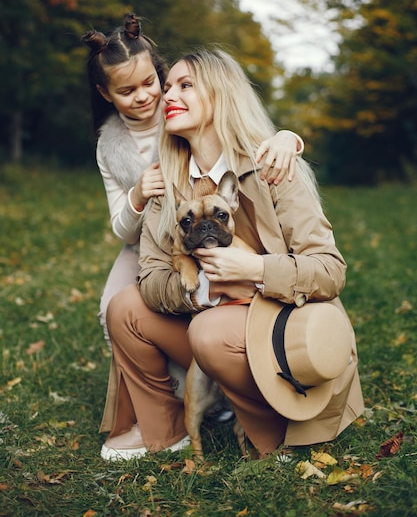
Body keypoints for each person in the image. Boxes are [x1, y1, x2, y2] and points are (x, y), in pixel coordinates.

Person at [100, 47, 364, 461]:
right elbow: (151, 276)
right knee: (124, 307)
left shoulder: (273, 164)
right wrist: (202, 289)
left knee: (211, 332)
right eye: (168, 87)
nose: (168, 96)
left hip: (278, 328)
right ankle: (166, 427)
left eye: (186, 86)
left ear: (221, 95)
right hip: (208, 319)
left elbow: (329, 270)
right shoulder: (164, 181)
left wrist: (255, 269)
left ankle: (274, 433)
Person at [81, 13, 304, 346]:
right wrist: (137, 196)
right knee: (112, 309)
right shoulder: (108, 147)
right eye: (127, 91)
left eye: (150, 83)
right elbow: (122, 229)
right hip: (146, 237)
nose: (143, 97)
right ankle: (162, 374)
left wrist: (288, 137)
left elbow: (232, 129)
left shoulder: (178, 112)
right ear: (105, 92)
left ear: (160, 77)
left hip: (197, 218)